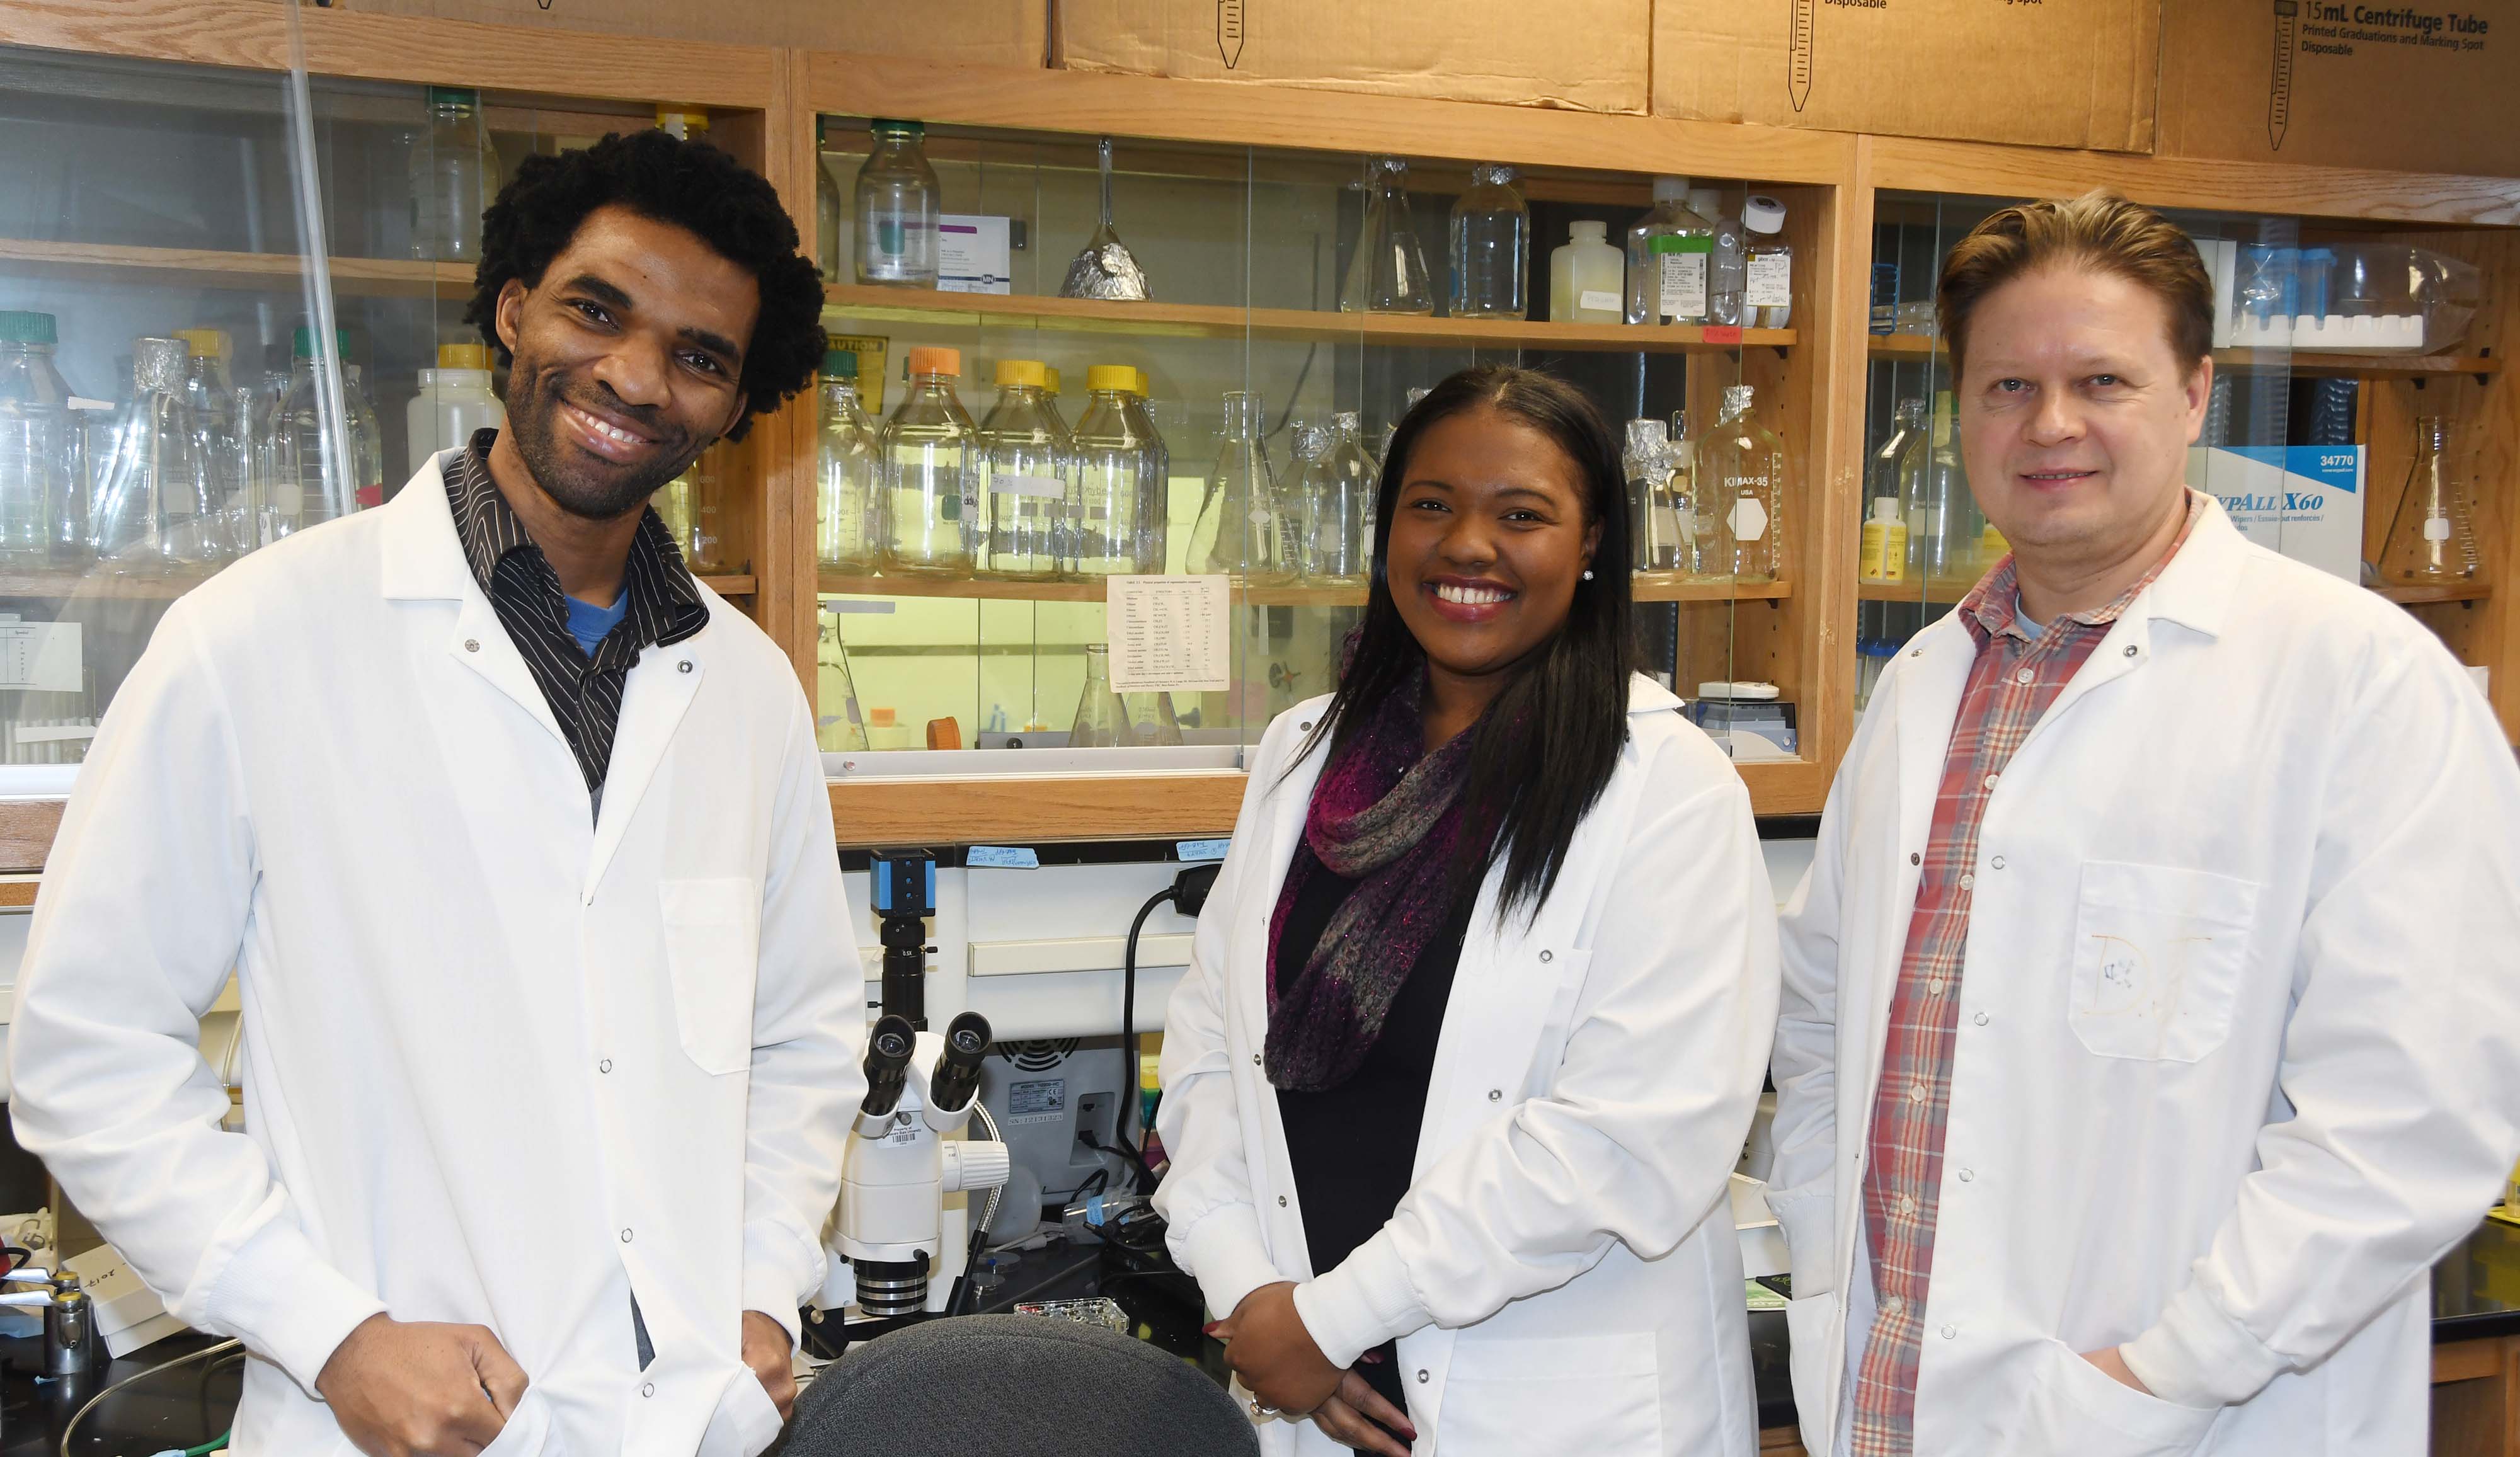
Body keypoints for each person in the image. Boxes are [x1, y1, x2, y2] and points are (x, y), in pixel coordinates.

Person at [9, 129, 857, 1456]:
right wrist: (331, 1327)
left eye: (700, 357)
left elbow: (801, 1036)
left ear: (736, 408)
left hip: (689, 1421)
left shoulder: (745, 690)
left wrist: (758, 1287)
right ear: (513, 306)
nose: (635, 376)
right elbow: (83, 1052)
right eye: (597, 309)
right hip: (390, 1424)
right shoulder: (257, 637)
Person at [1770, 190, 2520, 1457]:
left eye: (2101, 378)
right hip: (1891, 1405)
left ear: (2192, 395)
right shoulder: (1920, 683)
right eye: (2006, 384)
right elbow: (1822, 1016)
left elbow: (2408, 1122)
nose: (2049, 423)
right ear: (1962, 411)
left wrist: (2147, 1379)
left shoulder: (2357, 681)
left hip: (2186, 1417)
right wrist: (1819, 1241)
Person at [1154, 366, 1778, 1456]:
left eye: (1522, 514)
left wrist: (1334, 1315)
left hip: (1551, 1406)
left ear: (1591, 545)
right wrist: (1253, 1292)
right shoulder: (1303, 755)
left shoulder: (1668, 787)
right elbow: (1210, 1053)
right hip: (1317, 1383)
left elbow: (1624, 1140)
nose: (1468, 545)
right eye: (1431, 505)